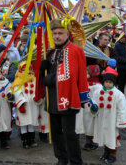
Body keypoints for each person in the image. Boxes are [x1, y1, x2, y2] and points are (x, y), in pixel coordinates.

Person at [39, 19, 88, 165]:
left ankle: (75, 161)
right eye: (54, 33)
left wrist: (50, 79)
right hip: (53, 97)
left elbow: (73, 74)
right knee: (56, 133)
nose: (57, 36)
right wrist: (42, 69)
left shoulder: (76, 50)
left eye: (60, 33)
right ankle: (61, 158)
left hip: (68, 97)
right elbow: (43, 77)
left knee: (69, 133)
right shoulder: (50, 52)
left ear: (67, 33)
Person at [90, 66, 126, 164]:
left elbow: (122, 109)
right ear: (103, 82)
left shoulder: (118, 94)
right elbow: (94, 102)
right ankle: (106, 152)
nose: (108, 84)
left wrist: (121, 121)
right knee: (104, 136)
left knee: (112, 137)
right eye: (106, 82)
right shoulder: (98, 92)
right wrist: (93, 108)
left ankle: (113, 155)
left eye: (110, 82)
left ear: (113, 83)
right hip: (101, 119)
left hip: (112, 120)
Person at [8, 62, 39, 149]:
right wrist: (21, 103)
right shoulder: (18, 80)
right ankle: (24, 141)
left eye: (28, 70)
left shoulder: (34, 79)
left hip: (32, 105)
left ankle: (32, 139)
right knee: (23, 124)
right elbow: (16, 92)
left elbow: (36, 90)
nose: (26, 71)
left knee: (31, 123)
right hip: (23, 105)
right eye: (24, 70)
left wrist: (36, 97)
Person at [114, 33, 126, 106]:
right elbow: (117, 57)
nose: (125, 39)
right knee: (121, 85)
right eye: (124, 37)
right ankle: (121, 101)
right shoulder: (117, 45)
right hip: (121, 68)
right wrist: (125, 61)